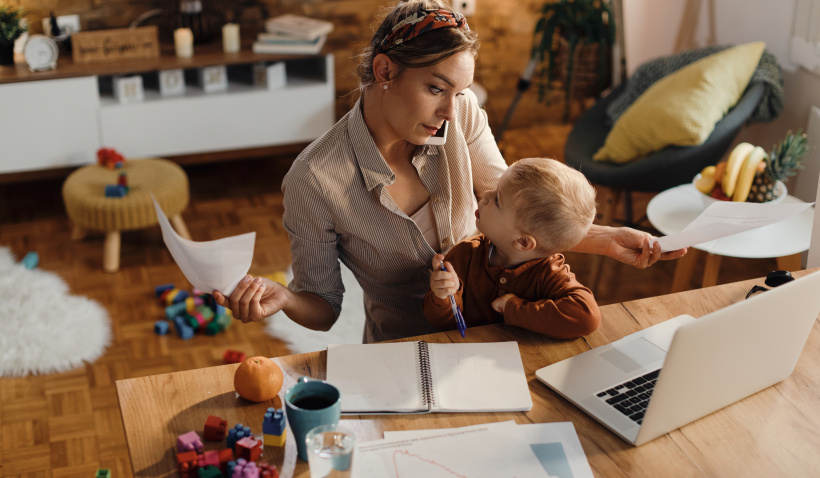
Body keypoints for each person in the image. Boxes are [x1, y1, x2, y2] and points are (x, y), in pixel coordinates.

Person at [213, 0, 686, 343]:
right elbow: (323, 309)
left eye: (459, 91)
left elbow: (520, 217)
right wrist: (285, 298)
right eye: (437, 88)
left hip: (498, 339)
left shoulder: (463, 116)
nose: (450, 110)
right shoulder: (313, 180)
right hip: (404, 350)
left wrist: (603, 239)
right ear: (384, 71)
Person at [425, 158, 601, 339]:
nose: (485, 195)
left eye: (497, 200)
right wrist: (443, 296)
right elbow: (439, 321)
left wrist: (514, 308)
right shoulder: (464, 255)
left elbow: (587, 318)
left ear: (523, 242)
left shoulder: (550, 273)